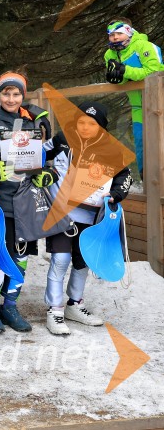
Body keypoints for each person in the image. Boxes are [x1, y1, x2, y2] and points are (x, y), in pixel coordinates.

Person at [42, 101, 132, 335]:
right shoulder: (63, 139)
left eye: (91, 123)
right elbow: (39, 154)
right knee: (60, 259)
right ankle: (55, 309)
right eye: (80, 122)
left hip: (91, 215)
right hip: (62, 212)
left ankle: (75, 303)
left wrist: (115, 194)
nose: (84, 127)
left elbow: (124, 175)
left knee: (83, 261)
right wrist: (45, 172)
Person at [0, 72, 51, 333]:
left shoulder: (31, 122)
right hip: (1, 203)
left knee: (21, 255)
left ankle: (10, 305)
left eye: (16, 94)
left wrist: (44, 173)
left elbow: (40, 159)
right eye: (6, 93)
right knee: (0, 256)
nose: (11, 98)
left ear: (23, 95)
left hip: (26, 201)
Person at [103, 18, 163, 179]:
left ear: (128, 32)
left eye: (119, 33)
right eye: (111, 34)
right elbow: (122, 80)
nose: (115, 37)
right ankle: (148, 183)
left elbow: (155, 72)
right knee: (141, 144)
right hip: (137, 106)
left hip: (159, 102)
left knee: (160, 142)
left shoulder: (145, 46)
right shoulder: (109, 54)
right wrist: (116, 78)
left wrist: (125, 70)